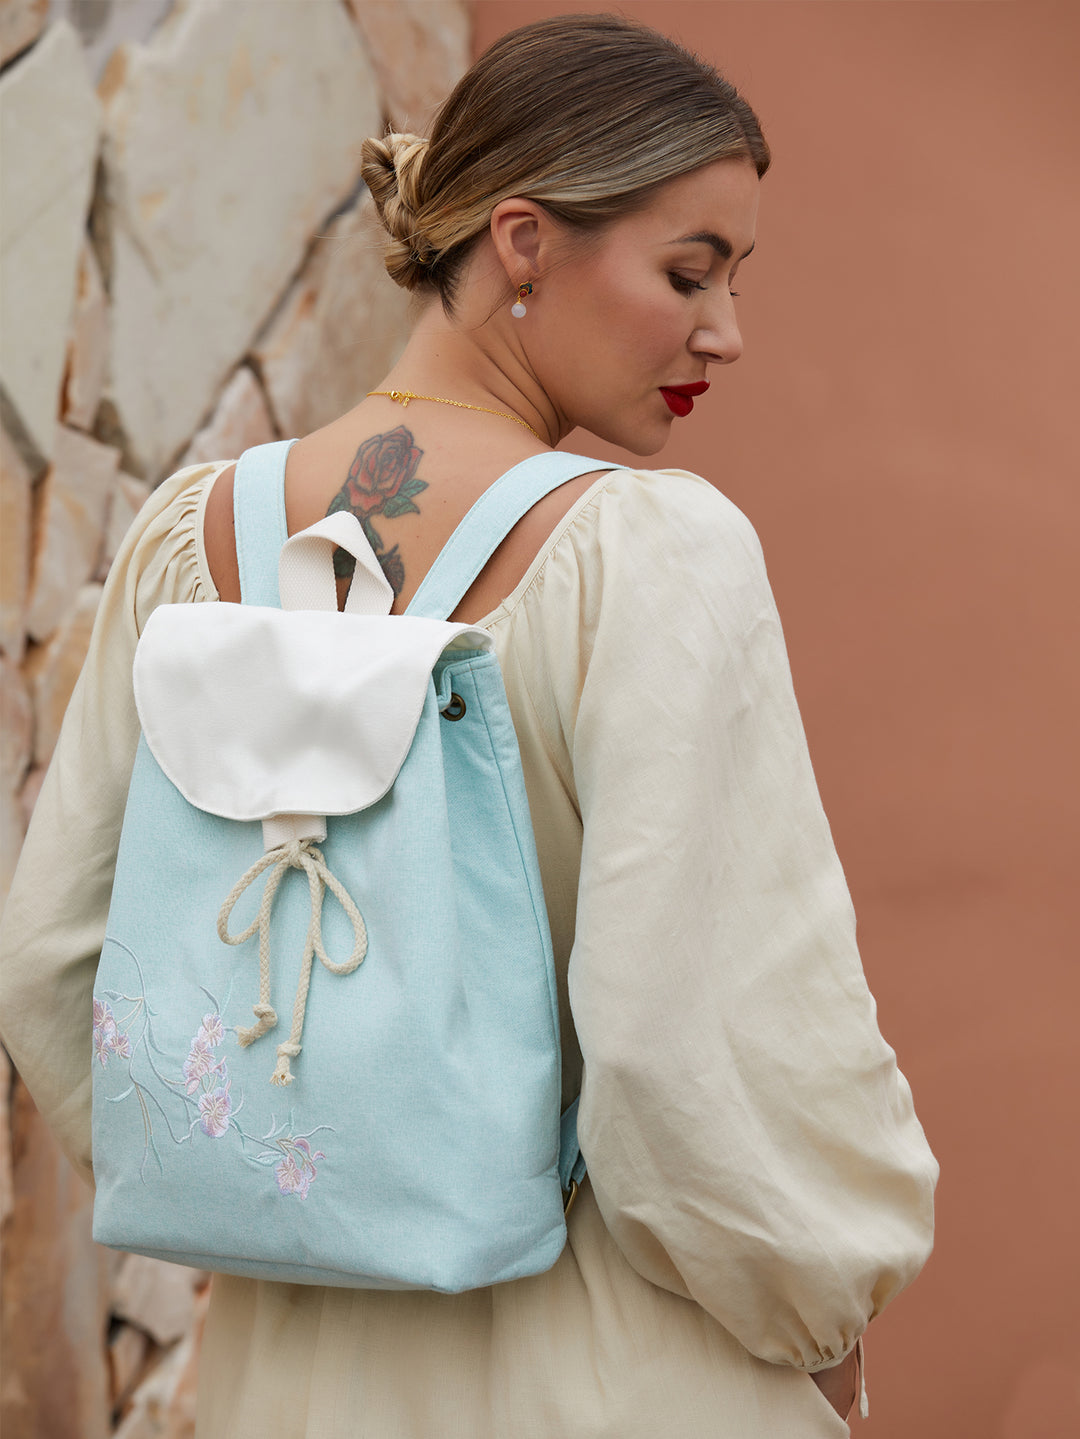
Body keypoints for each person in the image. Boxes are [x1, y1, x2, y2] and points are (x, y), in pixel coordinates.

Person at [0, 14, 937, 1437]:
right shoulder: (652, 558)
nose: (726, 333)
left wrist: (264, 1179)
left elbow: (48, 964)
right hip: (615, 1372)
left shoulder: (188, 543)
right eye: (688, 271)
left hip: (291, 1383)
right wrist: (820, 1318)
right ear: (522, 239)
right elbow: (694, 1042)